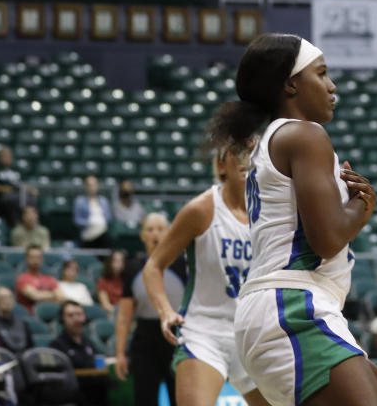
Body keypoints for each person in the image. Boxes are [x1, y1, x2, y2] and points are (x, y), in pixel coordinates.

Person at [206, 33, 377, 405]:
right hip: (292, 309)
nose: (332, 86)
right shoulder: (304, 134)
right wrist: (362, 206)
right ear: (291, 84)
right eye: (322, 74)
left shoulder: (272, 139)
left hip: (281, 310)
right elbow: (328, 238)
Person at [142, 146, 269, 406]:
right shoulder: (201, 209)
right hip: (205, 332)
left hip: (254, 334)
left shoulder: (270, 212)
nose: (247, 158)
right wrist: (166, 311)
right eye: (239, 152)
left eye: (252, 151)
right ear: (221, 165)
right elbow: (153, 266)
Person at [114, 213, 185, 406]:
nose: (156, 234)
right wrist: (120, 353)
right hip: (145, 341)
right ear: (142, 236)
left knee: (180, 399)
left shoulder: (183, 266)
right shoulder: (133, 268)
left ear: (170, 233)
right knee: (144, 399)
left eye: (161, 229)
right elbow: (124, 316)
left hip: (178, 337)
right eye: (150, 229)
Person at [49, 300, 108, 406]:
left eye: (79, 314)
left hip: (96, 392)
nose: (76, 319)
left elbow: (99, 361)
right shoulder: (56, 345)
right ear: (62, 319)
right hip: (75, 395)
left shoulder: (88, 342)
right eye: (71, 315)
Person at [0, 147, 37, 226]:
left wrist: (31, 189)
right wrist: (6, 189)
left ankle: (31, 223)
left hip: (18, 195)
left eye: (8, 156)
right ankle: (18, 224)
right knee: (16, 200)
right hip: (3, 197)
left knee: (31, 197)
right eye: (4, 156)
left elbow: (22, 184)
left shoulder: (16, 169)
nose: (7, 158)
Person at [15, 245, 63, 315]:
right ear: (26, 259)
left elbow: (61, 296)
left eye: (38, 257)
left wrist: (42, 295)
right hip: (30, 317)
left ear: (42, 259)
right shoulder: (22, 279)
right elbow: (35, 296)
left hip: (53, 315)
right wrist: (53, 295)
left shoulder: (50, 279)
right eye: (32, 257)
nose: (35, 260)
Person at [0, 288, 32, 355]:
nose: (7, 300)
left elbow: (31, 347)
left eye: (9, 297)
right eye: (3, 298)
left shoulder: (23, 323)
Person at [73, 174, 111, 248]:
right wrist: (90, 223)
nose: (92, 187)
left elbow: (108, 218)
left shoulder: (104, 201)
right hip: (88, 231)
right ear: (86, 186)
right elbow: (76, 220)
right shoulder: (79, 201)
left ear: (97, 186)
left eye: (94, 185)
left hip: (103, 232)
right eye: (89, 185)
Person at [96, 250, 125, 315]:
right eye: (116, 261)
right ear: (110, 262)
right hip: (112, 313)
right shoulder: (102, 281)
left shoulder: (127, 280)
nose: (120, 263)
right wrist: (117, 312)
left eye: (122, 261)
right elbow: (106, 305)